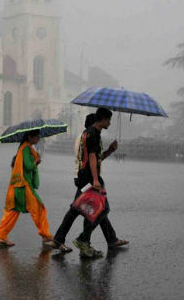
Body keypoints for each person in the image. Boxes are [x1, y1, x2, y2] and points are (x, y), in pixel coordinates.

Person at [54, 108, 129, 257]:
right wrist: (95, 180)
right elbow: (93, 158)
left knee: (77, 209)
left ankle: (61, 239)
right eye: (109, 120)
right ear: (101, 119)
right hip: (89, 180)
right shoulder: (93, 134)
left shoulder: (90, 134)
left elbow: (97, 157)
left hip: (85, 178)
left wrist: (110, 150)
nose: (110, 123)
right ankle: (84, 240)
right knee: (101, 209)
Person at [0, 129, 56, 248]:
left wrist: (35, 160)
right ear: (29, 137)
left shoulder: (24, 148)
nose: (39, 139)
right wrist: (36, 161)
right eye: (37, 136)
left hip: (17, 186)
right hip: (24, 186)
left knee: (13, 211)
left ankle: (2, 237)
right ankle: (45, 235)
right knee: (39, 208)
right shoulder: (26, 148)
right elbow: (28, 166)